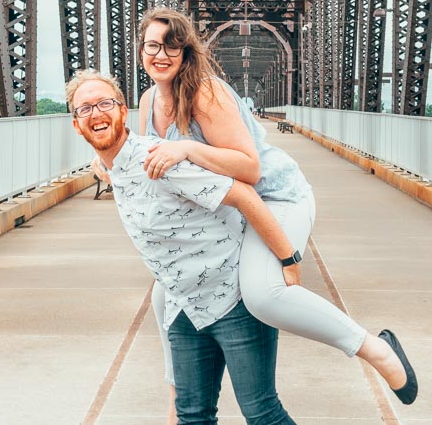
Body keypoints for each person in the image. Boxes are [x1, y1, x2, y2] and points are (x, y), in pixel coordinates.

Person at [96, 7, 418, 422]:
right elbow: (148, 164)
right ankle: (180, 399)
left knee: (265, 294)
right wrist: (105, 163)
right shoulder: (146, 102)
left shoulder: (205, 93)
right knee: (165, 294)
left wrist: (189, 148)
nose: (161, 54)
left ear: (186, 51)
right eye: (152, 45)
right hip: (234, 212)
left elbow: (250, 170)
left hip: (277, 198)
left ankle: (375, 348)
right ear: (140, 49)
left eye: (171, 46)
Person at [69, 69, 298, 424]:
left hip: (233, 299)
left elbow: (244, 194)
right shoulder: (113, 167)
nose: (96, 113)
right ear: (75, 124)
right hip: (185, 309)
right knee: (192, 416)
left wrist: (288, 259)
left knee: (262, 413)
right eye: (85, 109)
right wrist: (103, 166)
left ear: (122, 109)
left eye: (105, 103)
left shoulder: (159, 160)